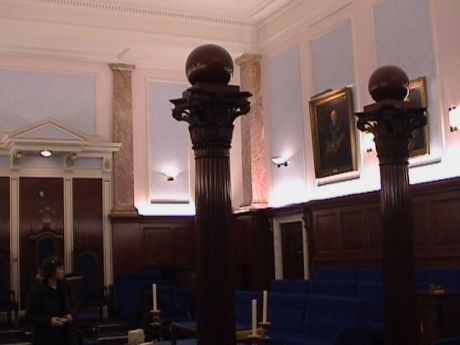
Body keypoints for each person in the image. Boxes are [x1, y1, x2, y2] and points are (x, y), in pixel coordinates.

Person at [26, 256, 79, 345]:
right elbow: (29, 316)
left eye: (63, 268)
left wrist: (71, 314)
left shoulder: (65, 286)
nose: (63, 271)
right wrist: (49, 321)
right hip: (45, 337)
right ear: (50, 271)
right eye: (60, 269)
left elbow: (74, 304)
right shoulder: (37, 291)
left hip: (66, 335)